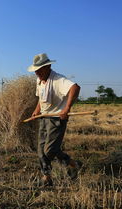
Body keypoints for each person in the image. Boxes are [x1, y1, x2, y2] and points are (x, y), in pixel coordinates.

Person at [27, 53, 82, 186]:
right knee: (41, 151)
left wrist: (66, 109)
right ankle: (47, 177)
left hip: (57, 119)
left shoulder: (58, 80)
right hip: (44, 118)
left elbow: (75, 88)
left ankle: (73, 164)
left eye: (39, 70)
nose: (37, 73)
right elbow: (41, 98)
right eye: (36, 71)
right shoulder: (39, 80)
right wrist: (36, 110)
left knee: (49, 150)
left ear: (48, 67)